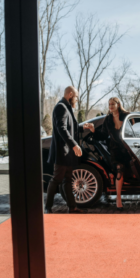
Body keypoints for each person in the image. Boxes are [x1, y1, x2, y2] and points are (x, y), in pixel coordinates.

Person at [45, 86, 94, 214]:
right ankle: (47, 207)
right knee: (56, 179)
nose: (77, 100)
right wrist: (74, 145)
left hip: (67, 153)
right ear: (71, 94)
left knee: (68, 180)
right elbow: (62, 128)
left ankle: (72, 207)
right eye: (76, 97)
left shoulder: (66, 107)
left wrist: (84, 126)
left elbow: (72, 127)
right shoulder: (61, 107)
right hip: (62, 152)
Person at [89, 97, 133, 210]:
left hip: (128, 148)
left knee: (129, 170)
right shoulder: (108, 119)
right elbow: (103, 135)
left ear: (118, 104)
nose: (110, 106)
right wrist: (93, 130)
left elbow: (134, 131)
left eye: (113, 104)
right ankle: (118, 198)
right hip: (115, 149)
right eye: (109, 104)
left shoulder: (127, 116)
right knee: (119, 169)